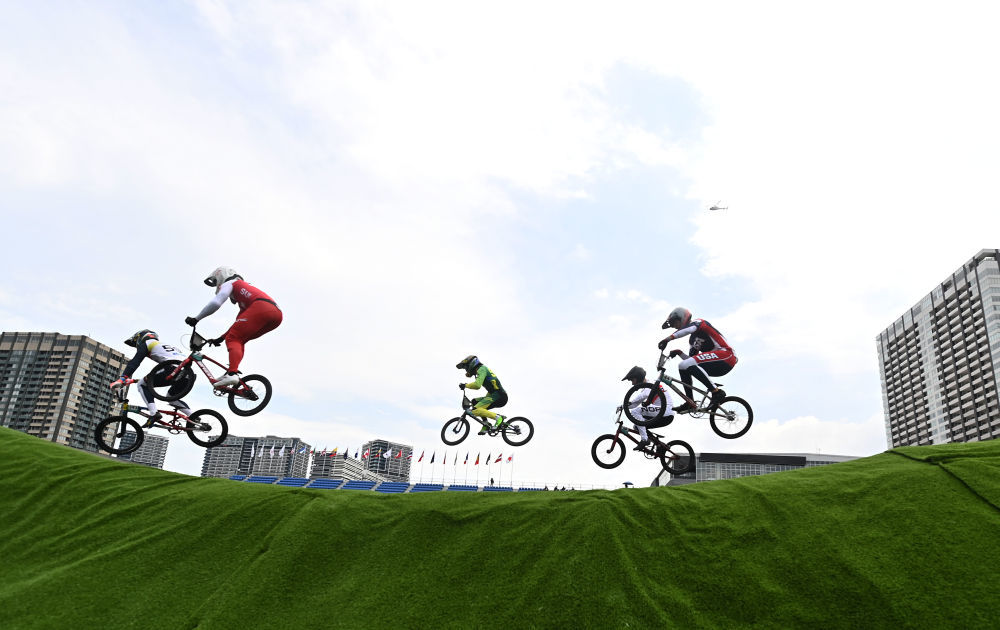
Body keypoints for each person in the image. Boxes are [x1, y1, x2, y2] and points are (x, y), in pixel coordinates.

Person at [185, 267, 282, 388]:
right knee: (239, 340)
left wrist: (196, 318)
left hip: (262, 308)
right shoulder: (245, 302)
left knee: (234, 339)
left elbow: (216, 303)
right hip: (276, 315)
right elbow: (237, 325)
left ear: (220, 276)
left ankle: (232, 373)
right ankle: (232, 371)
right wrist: (220, 338)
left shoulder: (231, 283)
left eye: (215, 282)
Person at [658, 306, 737, 412]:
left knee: (686, 364)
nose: (675, 327)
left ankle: (716, 392)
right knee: (683, 367)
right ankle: (689, 401)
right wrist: (679, 353)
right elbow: (691, 361)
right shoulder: (693, 340)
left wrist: (667, 339)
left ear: (682, 317)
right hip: (717, 364)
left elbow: (688, 329)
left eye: (675, 323)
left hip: (726, 355)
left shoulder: (699, 322)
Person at [109, 329, 191, 428]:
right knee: (171, 397)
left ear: (140, 338)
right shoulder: (171, 347)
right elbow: (153, 379)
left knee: (142, 385)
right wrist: (133, 380)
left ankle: (153, 413)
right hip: (188, 374)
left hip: (171, 368)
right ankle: (193, 417)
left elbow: (135, 362)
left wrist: (122, 379)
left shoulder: (147, 343)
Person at [619, 365, 674, 450]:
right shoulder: (646, 387)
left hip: (665, 411)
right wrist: (623, 407)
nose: (632, 383)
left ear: (638, 377)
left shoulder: (650, 384)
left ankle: (644, 440)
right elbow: (634, 404)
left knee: (635, 412)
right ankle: (660, 445)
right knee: (637, 426)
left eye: (632, 380)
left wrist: (624, 405)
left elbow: (641, 397)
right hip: (664, 414)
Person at [456, 355, 508, 435]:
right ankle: (486, 424)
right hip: (494, 395)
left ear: (472, 364)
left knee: (476, 410)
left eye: (466, 367)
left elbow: (477, 385)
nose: (466, 370)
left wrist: (465, 385)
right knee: (474, 402)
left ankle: (498, 418)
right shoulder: (480, 370)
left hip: (498, 396)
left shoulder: (482, 369)